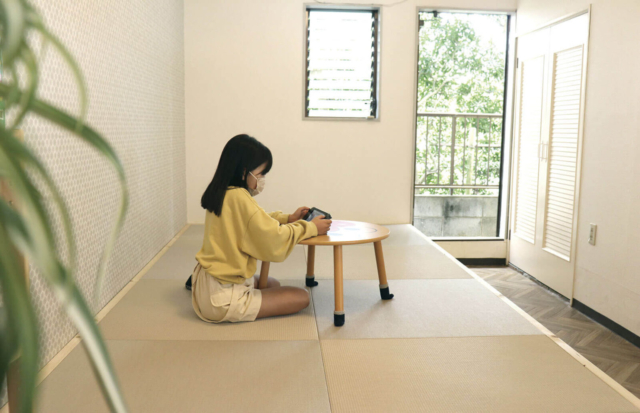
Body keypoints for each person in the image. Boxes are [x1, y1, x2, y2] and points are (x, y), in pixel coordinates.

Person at [188, 134, 331, 323]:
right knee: (302, 297)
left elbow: (255, 222)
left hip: (206, 285)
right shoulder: (239, 197)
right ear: (244, 172)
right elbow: (274, 238)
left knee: (273, 284)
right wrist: (310, 227)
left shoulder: (222, 192)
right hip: (222, 300)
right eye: (261, 173)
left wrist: (289, 218)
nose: (262, 179)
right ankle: (239, 303)